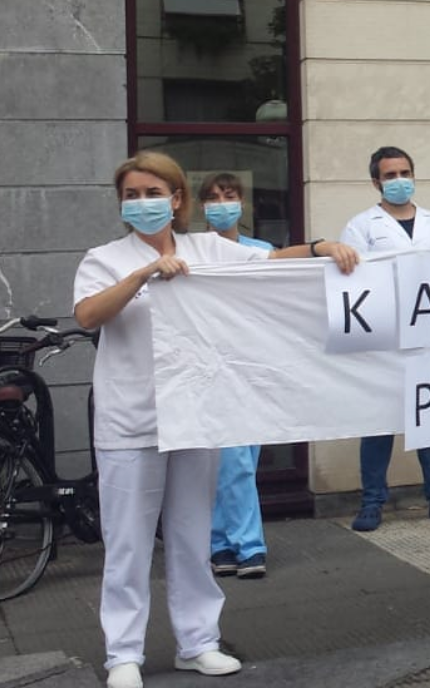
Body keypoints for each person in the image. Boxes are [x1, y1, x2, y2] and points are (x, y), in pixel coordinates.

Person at [74, 151, 359, 688]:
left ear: (177, 199)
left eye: (153, 193)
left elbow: (271, 264)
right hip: (130, 420)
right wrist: (143, 274)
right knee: (129, 542)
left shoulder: (208, 248)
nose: (142, 203)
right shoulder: (105, 258)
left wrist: (322, 247)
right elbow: (88, 314)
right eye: (131, 195)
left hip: (197, 413)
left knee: (191, 535)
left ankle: (198, 641)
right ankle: (123, 654)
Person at [340, 147, 430, 533]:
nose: (399, 180)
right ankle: (371, 502)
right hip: (386, 335)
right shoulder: (360, 226)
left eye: (404, 172)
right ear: (375, 182)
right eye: (390, 174)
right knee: (379, 420)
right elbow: (355, 282)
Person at [196, 172, 272, 581]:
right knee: (228, 460)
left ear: (242, 202)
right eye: (212, 197)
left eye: (228, 196)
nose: (221, 203)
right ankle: (246, 546)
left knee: (243, 460)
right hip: (207, 367)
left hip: (251, 367)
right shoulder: (190, 253)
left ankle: (222, 542)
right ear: (201, 207)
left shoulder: (261, 251)